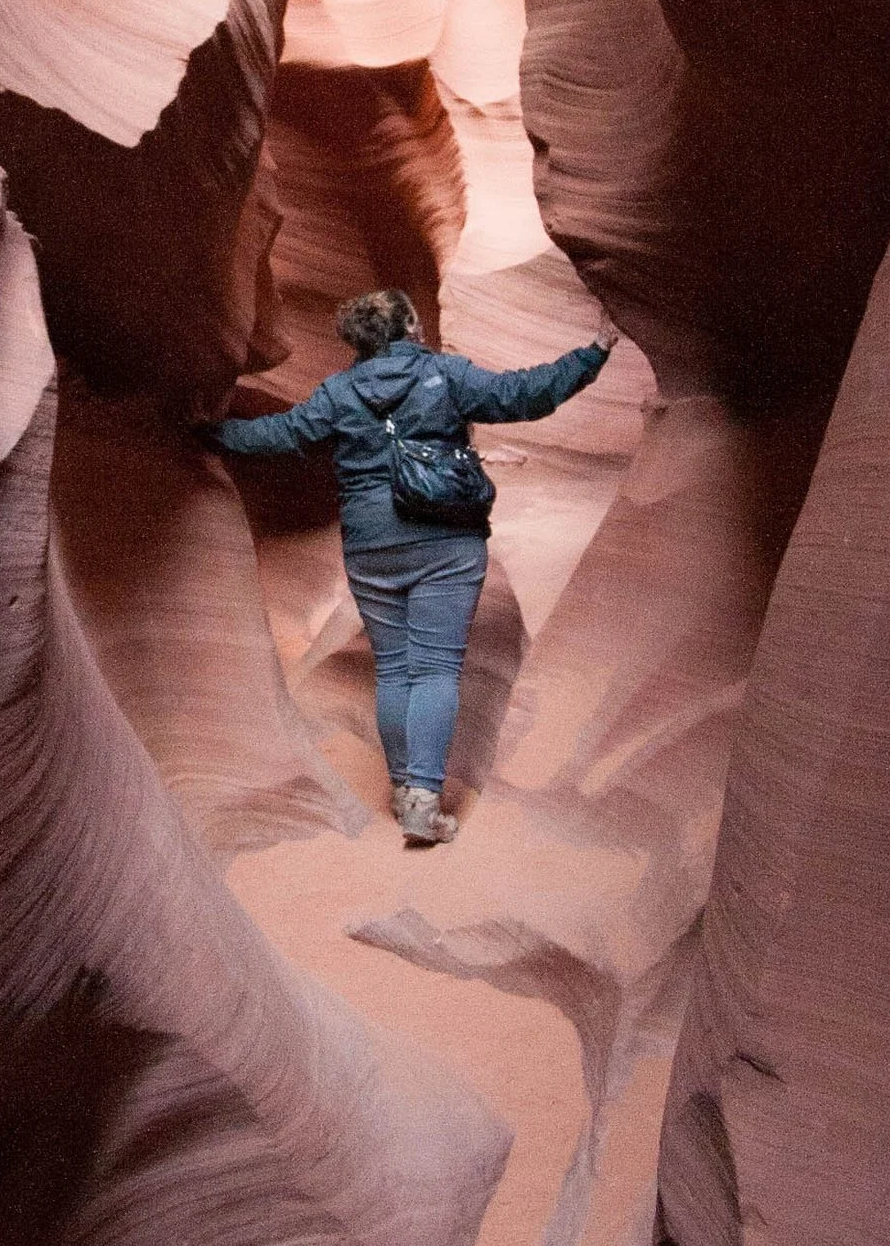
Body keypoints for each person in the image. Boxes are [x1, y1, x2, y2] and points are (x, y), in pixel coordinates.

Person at [203, 286, 614, 846]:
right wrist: (592, 353)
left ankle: (402, 788)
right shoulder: (445, 376)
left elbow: (280, 434)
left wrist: (206, 430)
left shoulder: (339, 392)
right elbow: (526, 395)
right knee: (437, 668)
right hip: (445, 539)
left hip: (372, 544)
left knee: (394, 667)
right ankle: (422, 797)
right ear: (412, 328)